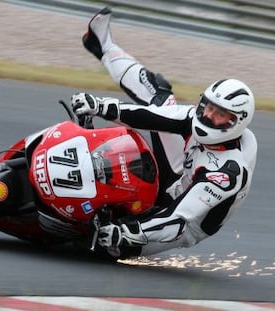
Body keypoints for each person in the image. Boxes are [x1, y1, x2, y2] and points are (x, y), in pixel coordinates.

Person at [71, 7, 258, 259]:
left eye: (220, 115)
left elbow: (178, 216)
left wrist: (128, 233)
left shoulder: (228, 173)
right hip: (180, 176)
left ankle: (117, 234)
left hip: (184, 223)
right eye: (209, 107)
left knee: (108, 243)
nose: (209, 117)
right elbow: (155, 116)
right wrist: (100, 106)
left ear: (236, 122)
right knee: (160, 96)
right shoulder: (196, 117)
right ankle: (102, 44)